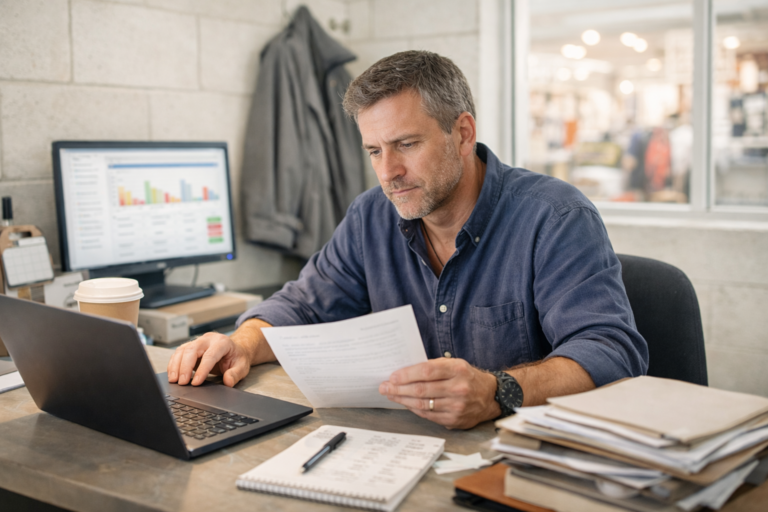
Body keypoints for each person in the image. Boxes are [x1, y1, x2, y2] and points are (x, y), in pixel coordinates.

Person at [168, 51, 648, 430]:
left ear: (462, 132)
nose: (388, 172)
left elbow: (609, 349)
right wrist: (243, 343)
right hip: (402, 449)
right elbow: (304, 308)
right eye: (374, 151)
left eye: (406, 145)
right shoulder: (370, 216)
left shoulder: (555, 217)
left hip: (521, 462)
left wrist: (497, 390)